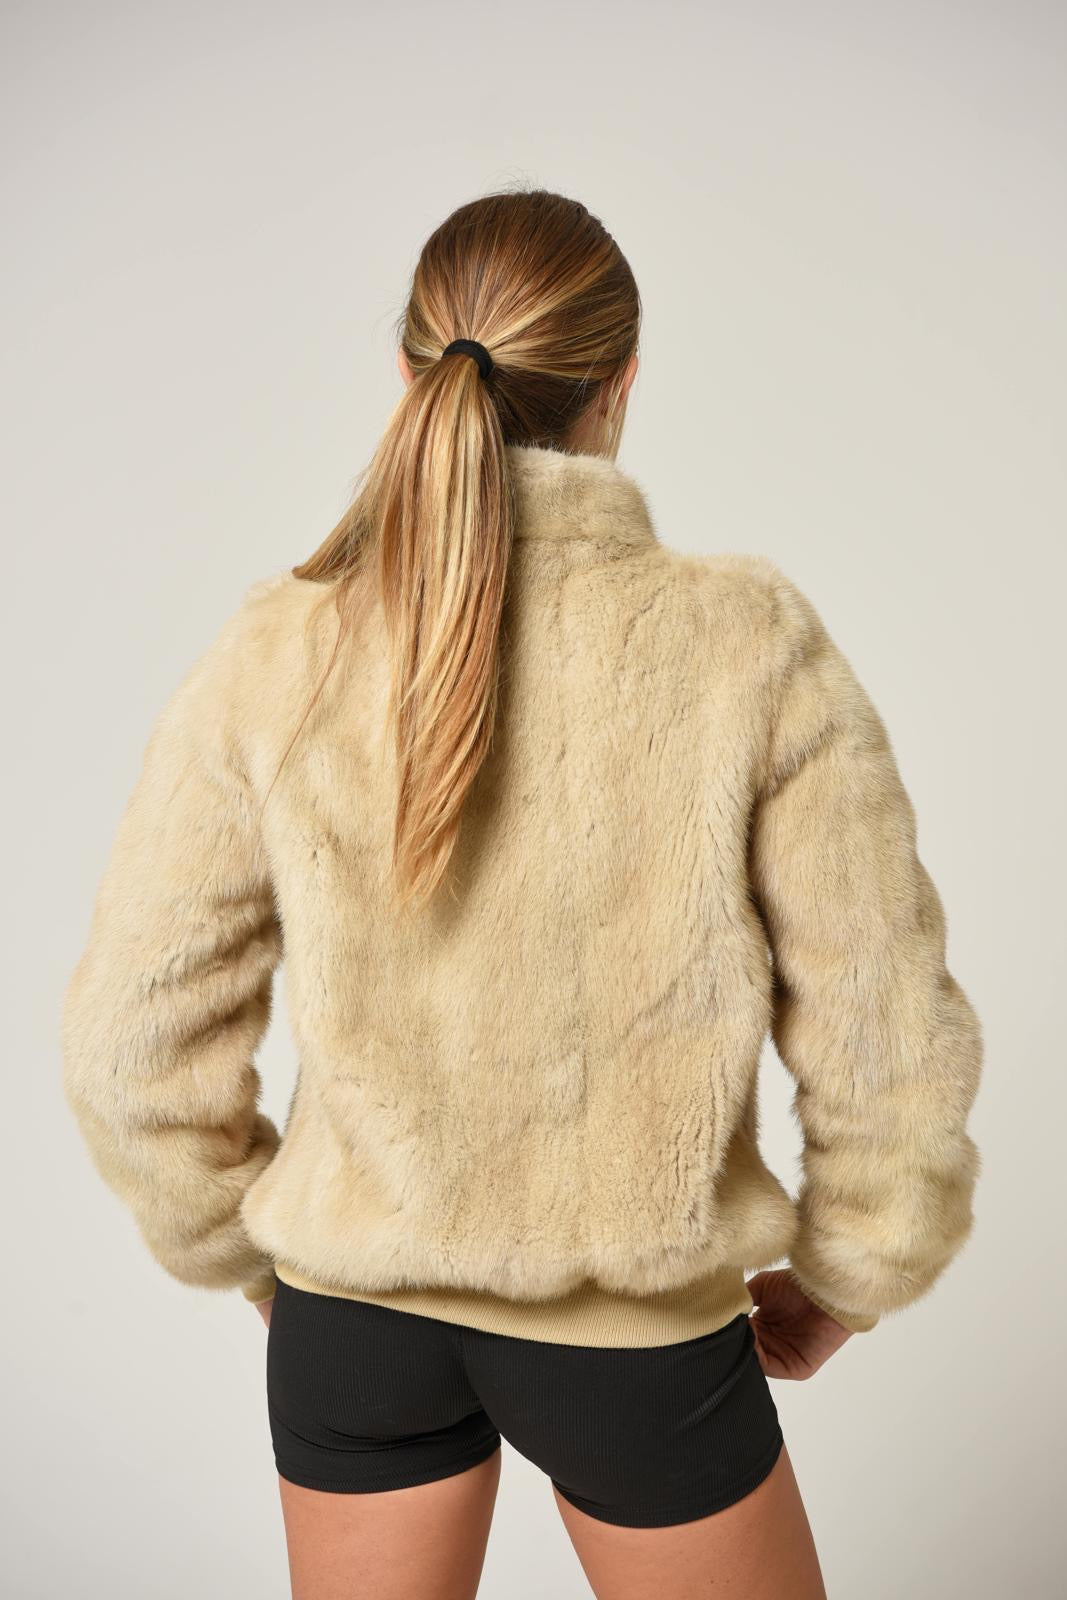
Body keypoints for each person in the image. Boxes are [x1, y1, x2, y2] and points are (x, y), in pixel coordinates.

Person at [61, 187, 984, 1600]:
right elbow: (884, 1028)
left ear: (409, 374)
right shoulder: (748, 646)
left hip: (352, 1331)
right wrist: (853, 1271)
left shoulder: (280, 651)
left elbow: (130, 1041)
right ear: (623, 382)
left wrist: (268, 1256)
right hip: (634, 1342)